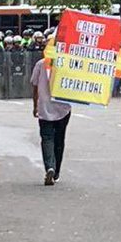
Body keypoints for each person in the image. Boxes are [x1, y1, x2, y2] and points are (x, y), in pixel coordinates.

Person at [31, 51, 72, 186]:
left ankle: (50, 167)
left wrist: (35, 106)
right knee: (59, 139)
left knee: (47, 138)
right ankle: (56, 172)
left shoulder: (40, 64)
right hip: (63, 108)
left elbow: (35, 86)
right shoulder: (68, 63)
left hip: (45, 107)